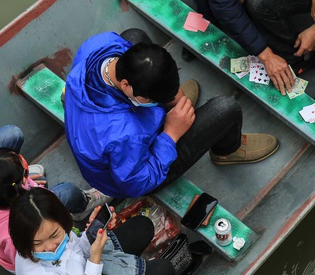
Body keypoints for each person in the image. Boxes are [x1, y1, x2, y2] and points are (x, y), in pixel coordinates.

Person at [63, 29, 279, 199]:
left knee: (134, 35)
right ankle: (228, 150)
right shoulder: (125, 135)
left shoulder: (100, 43)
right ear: (126, 85)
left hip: (105, 126)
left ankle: (164, 105)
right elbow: (138, 181)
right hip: (132, 173)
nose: (160, 101)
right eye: (153, 99)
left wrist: (171, 97)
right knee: (225, 109)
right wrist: (170, 135)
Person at [0, 148, 108, 272]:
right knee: (68, 191)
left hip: (20, 210)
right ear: (18, 185)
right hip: (36, 258)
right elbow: (28, 259)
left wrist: (28, 183)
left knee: (41, 180)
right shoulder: (13, 234)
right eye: (24, 173)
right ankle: (83, 206)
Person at [9, 187, 175, 275]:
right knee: (163, 271)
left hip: (88, 269)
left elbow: (77, 250)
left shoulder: (55, 229)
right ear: (23, 240)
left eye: (55, 236)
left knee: (143, 225)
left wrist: (92, 232)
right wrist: (95, 258)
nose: (50, 246)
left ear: (64, 220)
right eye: (38, 243)